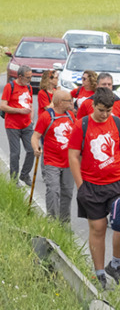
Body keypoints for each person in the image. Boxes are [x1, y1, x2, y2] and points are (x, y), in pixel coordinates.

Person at [69, 87, 120, 289]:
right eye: (101, 110)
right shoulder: (82, 125)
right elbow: (73, 155)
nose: (104, 114)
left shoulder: (118, 122)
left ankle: (115, 264)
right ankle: (99, 274)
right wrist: (81, 186)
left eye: (108, 110)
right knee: (98, 228)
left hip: (117, 183)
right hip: (91, 185)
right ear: (93, 105)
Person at [32, 89, 77, 221]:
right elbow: (35, 136)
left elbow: (76, 134)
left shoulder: (70, 115)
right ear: (59, 102)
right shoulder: (46, 116)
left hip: (68, 161)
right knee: (53, 190)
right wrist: (36, 148)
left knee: (67, 193)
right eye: (68, 100)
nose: (71, 102)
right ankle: (52, 221)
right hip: (52, 161)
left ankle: (64, 223)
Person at [2, 65, 35, 184]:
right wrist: (19, 111)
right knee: (15, 153)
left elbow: (31, 105)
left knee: (32, 150)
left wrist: (31, 119)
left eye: (31, 77)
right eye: (28, 77)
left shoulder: (29, 88)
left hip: (27, 125)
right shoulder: (9, 87)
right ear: (20, 77)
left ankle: (24, 175)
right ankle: (14, 180)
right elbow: (3, 106)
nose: (29, 80)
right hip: (12, 125)